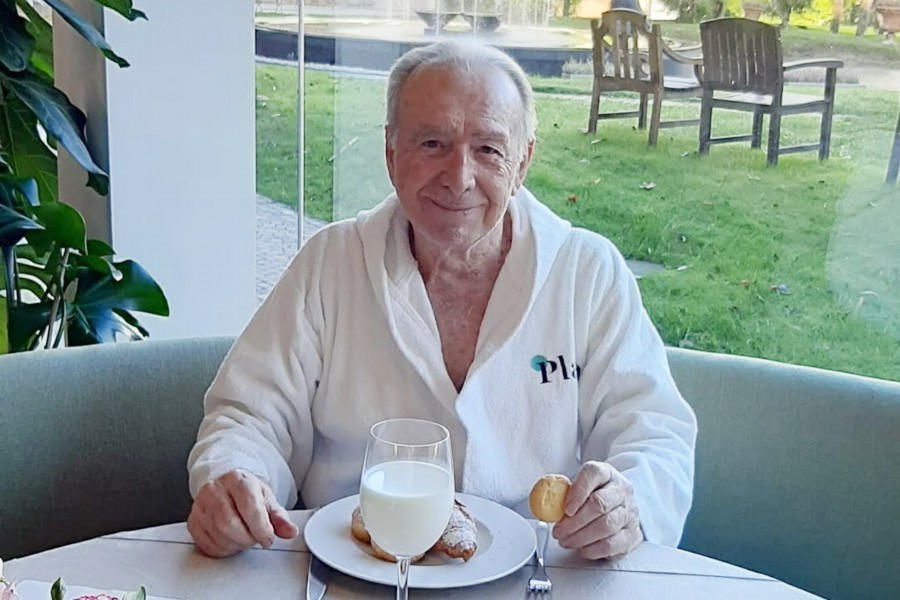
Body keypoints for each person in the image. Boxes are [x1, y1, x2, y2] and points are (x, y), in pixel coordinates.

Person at [187, 40, 696, 560]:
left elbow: (654, 435)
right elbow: (248, 416)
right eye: (432, 144)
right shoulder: (330, 263)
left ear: (523, 161)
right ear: (391, 154)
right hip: (351, 572)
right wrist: (235, 478)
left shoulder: (586, 272)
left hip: (535, 576)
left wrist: (627, 503)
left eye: (489, 149)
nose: (459, 178)